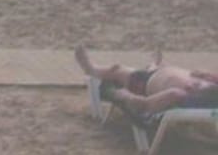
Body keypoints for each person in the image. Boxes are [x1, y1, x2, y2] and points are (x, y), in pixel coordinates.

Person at [75, 46, 218, 116]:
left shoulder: (176, 94)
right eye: (197, 84)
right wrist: (204, 75)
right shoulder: (210, 86)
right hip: (158, 73)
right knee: (158, 69)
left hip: (142, 82)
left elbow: (143, 105)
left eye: (192, 88)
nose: (191, 85)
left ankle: (91, 69)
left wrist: (123, 95)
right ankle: (154, 65)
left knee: (116, 69)